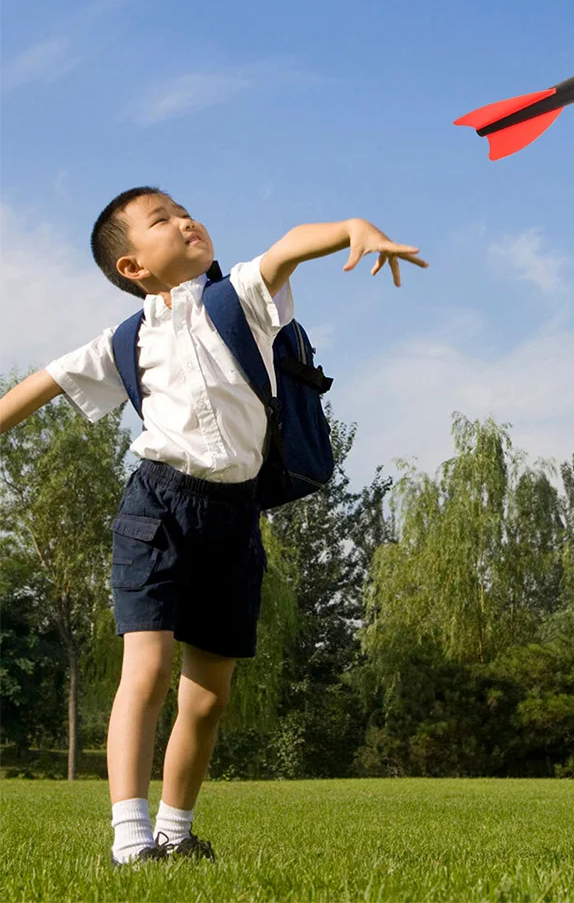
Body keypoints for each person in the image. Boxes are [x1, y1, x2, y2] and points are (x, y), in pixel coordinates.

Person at [0, 187, 427, 865]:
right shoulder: (123, 341)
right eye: (161, 220)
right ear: (131, 267)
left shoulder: (242, 299)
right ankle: (131, 837)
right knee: (148, 667)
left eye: (183, 209)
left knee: (208, 695)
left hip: (233, 517)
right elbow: (33, 391)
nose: (184, 220)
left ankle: (176, 829)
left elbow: (289, 246)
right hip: (157, 509)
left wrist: (351, 227)